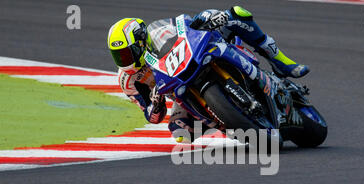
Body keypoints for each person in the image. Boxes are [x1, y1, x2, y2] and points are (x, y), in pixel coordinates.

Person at [107, 6, 310, 142]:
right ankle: (230, 124)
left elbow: (184, 24)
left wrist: (205, 19)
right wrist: (156, 102)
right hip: (178, 91)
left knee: (235, 13)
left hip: (195, 58)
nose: (124, 60)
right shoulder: (129, 80)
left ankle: (281, 62)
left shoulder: (158, 33)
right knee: (180, 133)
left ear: (141, 40)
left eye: (126, 53)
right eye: (119, 56)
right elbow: (152, 117)